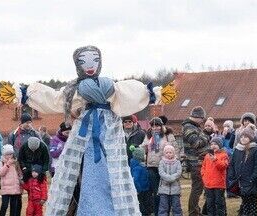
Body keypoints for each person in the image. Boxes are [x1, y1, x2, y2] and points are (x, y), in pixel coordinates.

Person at [9, 46, 166, 215]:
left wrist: (151, 94)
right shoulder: (75, 90)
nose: (90, 66)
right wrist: (25, 94)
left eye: (95, 60)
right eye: (83, 62)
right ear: (78, 65)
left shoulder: (110, 86)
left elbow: (129, 93)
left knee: (115, 173)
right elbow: (54, 99)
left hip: (111, 135)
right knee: (87, 173)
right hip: (86, 137)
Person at [141, 117, 179, 215]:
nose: (155, 128)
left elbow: (175, 149)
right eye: (153, 126)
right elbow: (144, 147)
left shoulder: (167, 135)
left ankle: (166, 211)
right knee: (156, 191)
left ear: (161, 126)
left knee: (166, 192)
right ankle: (158, 212)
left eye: (157, 125)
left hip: (165, 166)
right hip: (151, 166)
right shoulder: (149, 135)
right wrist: (141, 149)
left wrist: (175, 162)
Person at [228, 126, 257, 216]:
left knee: (252, 202)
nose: (243, 138)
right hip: (240, 180)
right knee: (245, 201)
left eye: (246, 137)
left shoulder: (256, 150)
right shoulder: (237, 149)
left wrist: (253, 178)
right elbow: (232, 164)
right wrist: (232, 176)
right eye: (242, 137)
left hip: (251, 181)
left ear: (251, 138)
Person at [182, 106, 210, 216]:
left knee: (198, 188)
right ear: (198, 117)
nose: (202, 121)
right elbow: (196, 143)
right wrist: (206, 135)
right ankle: (193, 212)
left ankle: (196, 210)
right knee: (197, 188)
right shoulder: (189, 127)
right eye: (202, 118)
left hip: (199, 162)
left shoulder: (193, 127)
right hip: (195, 162)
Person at [201, 137, 228, 216]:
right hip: (208, 185)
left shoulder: (224, 155)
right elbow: (203, 167)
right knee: (210, 204)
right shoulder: (207, 156)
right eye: (212, 144)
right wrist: (204, 177)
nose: (213, 146)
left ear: (219, 145)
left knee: (219, 204)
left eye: (215, 144)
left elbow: (223, 166)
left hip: (219, 185)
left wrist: (215, 159)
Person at [0, 144, 23, 216]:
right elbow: (0, 173)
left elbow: (20, 174)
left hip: (15, 188)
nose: (9, 156)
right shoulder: (1, 163)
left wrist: (21, 184)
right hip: (5, 188)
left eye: (10, 154)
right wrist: (7, 164)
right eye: (7, 154)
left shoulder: (16, 163)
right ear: (4, 154)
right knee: (4, 206)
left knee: (13, 207)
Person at [158, 145, 182, 216]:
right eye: (167, 152)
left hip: (175, 190)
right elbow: (161, 172)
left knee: (176, 207)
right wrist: (168, 178)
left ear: (174, 153)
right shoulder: (162, 162)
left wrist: (172, 178)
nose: (168, 154)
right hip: (164, 189)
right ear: (164, 153)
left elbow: (179, 172)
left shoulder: (177, 162)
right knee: (163, 207)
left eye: (170, 152)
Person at [130, 147, 153, 216]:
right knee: (142, 204)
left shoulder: (142, 166)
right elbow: (135, 179)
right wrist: (139, 189)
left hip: (145, 189)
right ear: (140, 157)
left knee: (146, 203)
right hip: (142, 190)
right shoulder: (138, 168)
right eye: (144, 155)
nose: (145, 156)